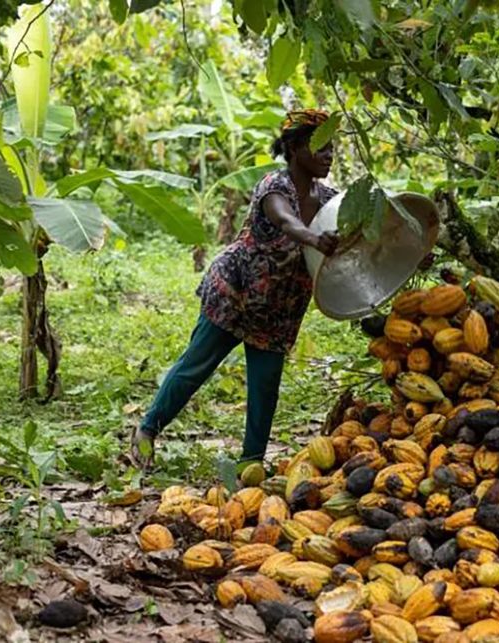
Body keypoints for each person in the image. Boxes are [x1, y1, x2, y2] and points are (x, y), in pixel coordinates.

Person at [129, 109, 341, 469]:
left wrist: (410, 252)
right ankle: (147, 431)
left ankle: (251, 464)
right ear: (293, 148)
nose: (328, 153)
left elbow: (366, 232)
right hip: (236, 291)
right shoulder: (274, 186)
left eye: (331, 145)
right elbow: (285, 220)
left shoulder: (329, 199)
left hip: (278, 308)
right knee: (196, 366)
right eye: (318, 145)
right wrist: (313, 238)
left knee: (265, 387)